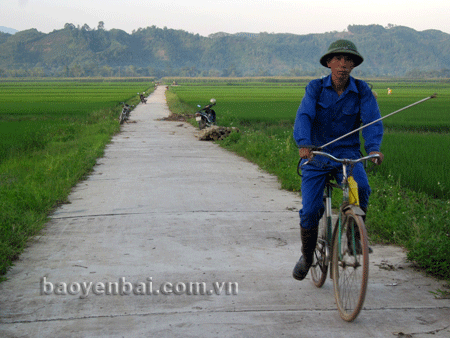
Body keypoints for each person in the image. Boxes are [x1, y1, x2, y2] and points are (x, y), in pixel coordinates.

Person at [292, 39, 384, 281]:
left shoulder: (362, 90)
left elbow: (372, 121)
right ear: (329, 63)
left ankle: (354, 238)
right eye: (338, 59)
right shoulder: (315, 88)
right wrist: (304, 143)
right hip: (318, 154)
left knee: (362, 188)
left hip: (348, 156)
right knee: (311, 210)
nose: (343, 64)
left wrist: (373, 149)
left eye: (348, 60)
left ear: (354, 64)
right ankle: (307, 254)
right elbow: (304, 115)